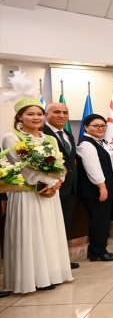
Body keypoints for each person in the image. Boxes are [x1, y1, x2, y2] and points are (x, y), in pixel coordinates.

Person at [2, 96, 73, 294]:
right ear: (20, 117)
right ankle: (30, 278)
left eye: (39, 114)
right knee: (30, 234)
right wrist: (48, 182)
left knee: (50, 232)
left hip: (50, 193)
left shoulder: (49, 138)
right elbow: (22, 165)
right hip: (27, 194)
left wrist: (57, 181)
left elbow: (60, 165)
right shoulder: (12, 137)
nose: (36, 118)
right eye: (30, 114)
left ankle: (51, 274)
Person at [77, 114, 113, 262]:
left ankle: (97, 250)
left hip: (106, 186)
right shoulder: (86, 144)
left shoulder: (102, 142)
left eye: (103, 125)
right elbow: (92, 168)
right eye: (96, 126)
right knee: (99, 221)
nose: (100, 128)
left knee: (103, 220)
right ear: (86, 127)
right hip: (95, 189)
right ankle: (98, 251)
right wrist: (102, 186)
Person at [44, 102, 80, 269]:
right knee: (50, 226)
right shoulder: (41, 133)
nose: (62, 115)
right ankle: (50, 262)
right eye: (56, 112)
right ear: (46, 115)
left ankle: (61, 260)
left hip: (70, 187)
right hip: (51, 187)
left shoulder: (67, 134)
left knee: (63, 224)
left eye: (65, 112)